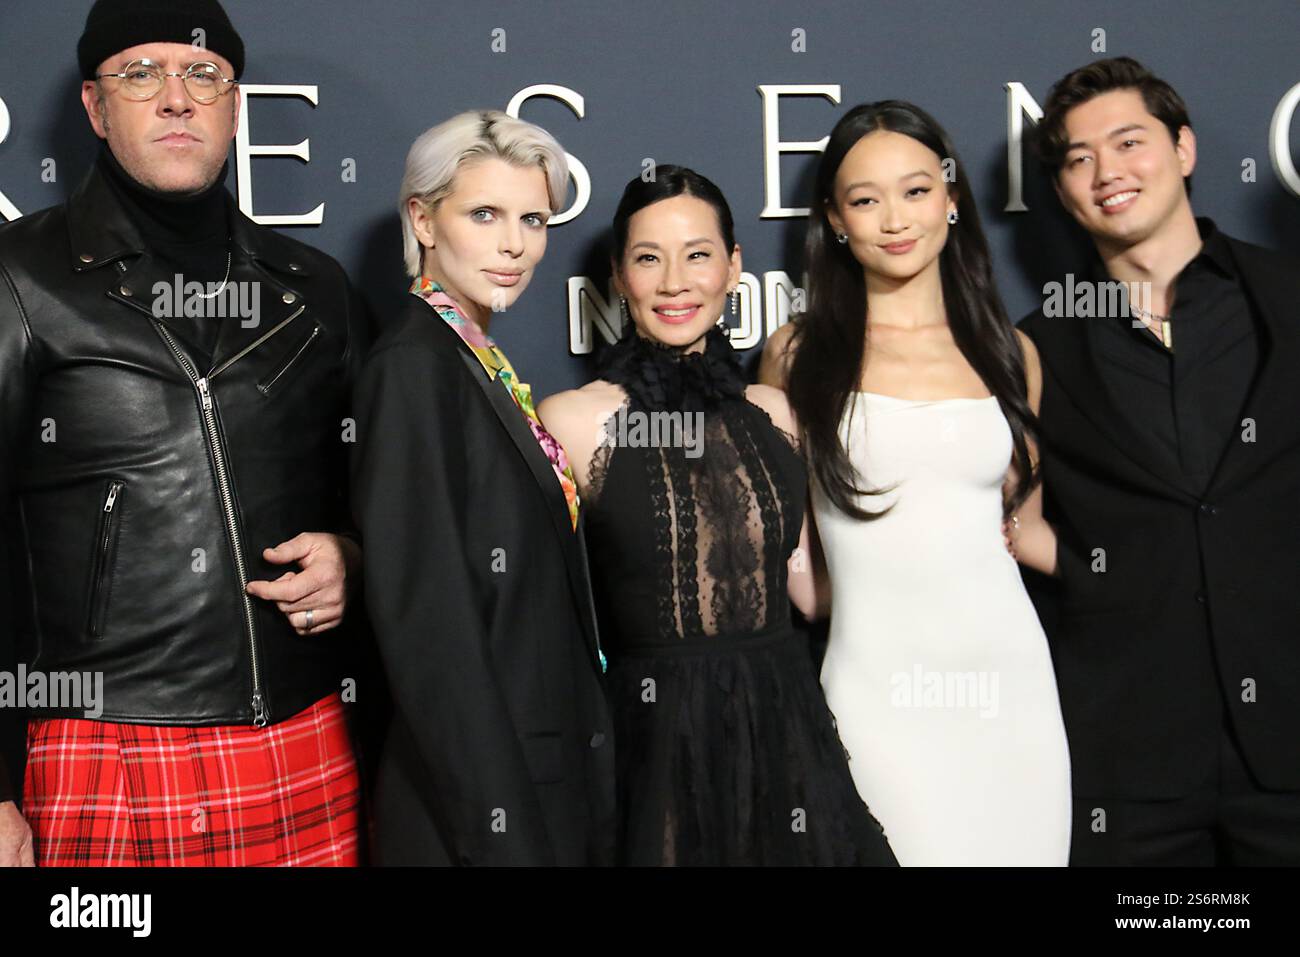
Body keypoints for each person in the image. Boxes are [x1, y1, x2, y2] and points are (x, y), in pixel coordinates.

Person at [0, 0, 370, 867]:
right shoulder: (18, 277)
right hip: (102, 743)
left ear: (234, 105)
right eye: (142, 73)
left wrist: (354, 553)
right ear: (95, 107)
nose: (176, 96)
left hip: (308, 731)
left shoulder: (316, 288)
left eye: (203, 73)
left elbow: (386, 495)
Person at [539, 165, 897, 866]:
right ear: (619, 276)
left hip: (787, 731)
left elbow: (808, 588)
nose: (675, 281)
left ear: (733, 267)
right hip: (653, 743)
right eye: (649, 258)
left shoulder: (777, 414)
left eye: (698, 254)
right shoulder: (572, 420)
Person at [760, 102, 1071, 866]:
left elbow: (1018, 529)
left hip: (1013, 692)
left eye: (917, 190)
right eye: (865, 199)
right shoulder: (796, 355)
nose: (895, 219)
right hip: (876, 695)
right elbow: (796, 562)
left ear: (953, 198)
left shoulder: (1010, 351)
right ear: (835, 219)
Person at [1011, 57, 1300, 865]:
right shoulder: (1036, 346)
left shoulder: (1288, 296)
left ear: (1184, 149)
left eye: (1129, 141)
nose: (1107, 172)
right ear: (1063, 189)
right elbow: (1011, 521)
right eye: (1078, 158)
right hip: (1127, 761)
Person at [350, 110, 614, 866]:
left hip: (538, 778)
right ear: (422, 219)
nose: (514, 245)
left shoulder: (472, 359)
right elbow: (429, 628)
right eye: (485, 214)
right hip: (482, 811)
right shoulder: (412, 366)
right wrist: (504, 835)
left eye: (532, 218)